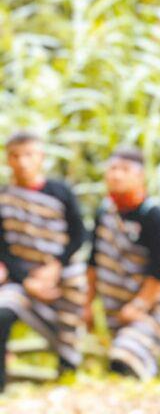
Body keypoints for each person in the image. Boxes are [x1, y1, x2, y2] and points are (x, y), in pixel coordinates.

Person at [85, 146, 160, 380]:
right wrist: (87, 303)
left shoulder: (154, 216)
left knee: (126, 358)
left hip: (154, 310)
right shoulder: (105, 212)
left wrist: (139, 305)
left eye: (124, 169)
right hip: (116, 307)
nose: (116, 175)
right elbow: (94, 260)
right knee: (122, 357)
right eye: (112, 169)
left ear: (140, 176)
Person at [0, 131, 86, 391]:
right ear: (8, 159)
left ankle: (67, 373)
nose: (22, 162)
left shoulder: (61, 192)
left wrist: (55, 266)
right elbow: (3, 248)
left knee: (70, 319)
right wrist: (27, 280)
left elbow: (79, 234)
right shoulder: (4, 196)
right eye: (15, 156)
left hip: (61, 275)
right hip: (21, 277)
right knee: (2, 312)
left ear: (41, 157)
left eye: (29, 155)